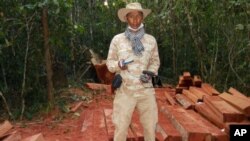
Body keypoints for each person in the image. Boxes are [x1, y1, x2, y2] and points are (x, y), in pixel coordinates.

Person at [106, 2, 160, 141]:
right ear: (126, 18)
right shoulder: (118, 40)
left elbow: (155, 62)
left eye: (138, 16)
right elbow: (109, 64)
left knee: (150, 128)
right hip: (125, 91)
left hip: (146, 91)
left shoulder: (151, 40)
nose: (135, 20)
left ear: (142, 17)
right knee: (121, 129)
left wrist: (150, 74)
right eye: (131, 16)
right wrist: (119, 64)